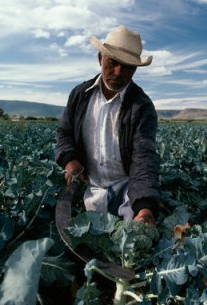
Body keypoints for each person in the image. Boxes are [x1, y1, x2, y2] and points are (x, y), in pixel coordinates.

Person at [55, 25, 160, 227]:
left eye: (128, 67)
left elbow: (144, 159)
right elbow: (65, 133)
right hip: (88, 184)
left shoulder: (142, 107)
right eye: (112, 63)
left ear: (136, 69)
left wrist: (145, 207)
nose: (118, 72)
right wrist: (70, 159)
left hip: (128, 189)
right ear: (100, 58)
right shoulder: (79, 95)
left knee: (136, 238)